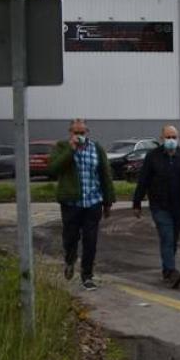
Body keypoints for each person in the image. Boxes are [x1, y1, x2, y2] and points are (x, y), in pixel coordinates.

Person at [46, 119, 115, 290]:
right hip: (71, 202)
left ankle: (87, 275)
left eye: (82, 133)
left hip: (93, 202)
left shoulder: (96, 149)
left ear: (87, 133)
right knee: (70, 237)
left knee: (90, 240)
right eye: (76, 133)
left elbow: (105, 174)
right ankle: (70, 260)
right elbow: (53, 169)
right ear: (70, 133)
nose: (79, 136)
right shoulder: (62, 147)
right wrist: (71, 149)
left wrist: (107, 202)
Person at [132, 125, 180, 288]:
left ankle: (166, 271)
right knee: (167, 237)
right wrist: (137, 203)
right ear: (161, 138)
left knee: (173, 240)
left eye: (174, 137)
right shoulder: (153, 157)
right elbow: (143, 181)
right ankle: (172, 272)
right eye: (168, 137)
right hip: (159, 205)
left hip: (179, 205)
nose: (171, 140)